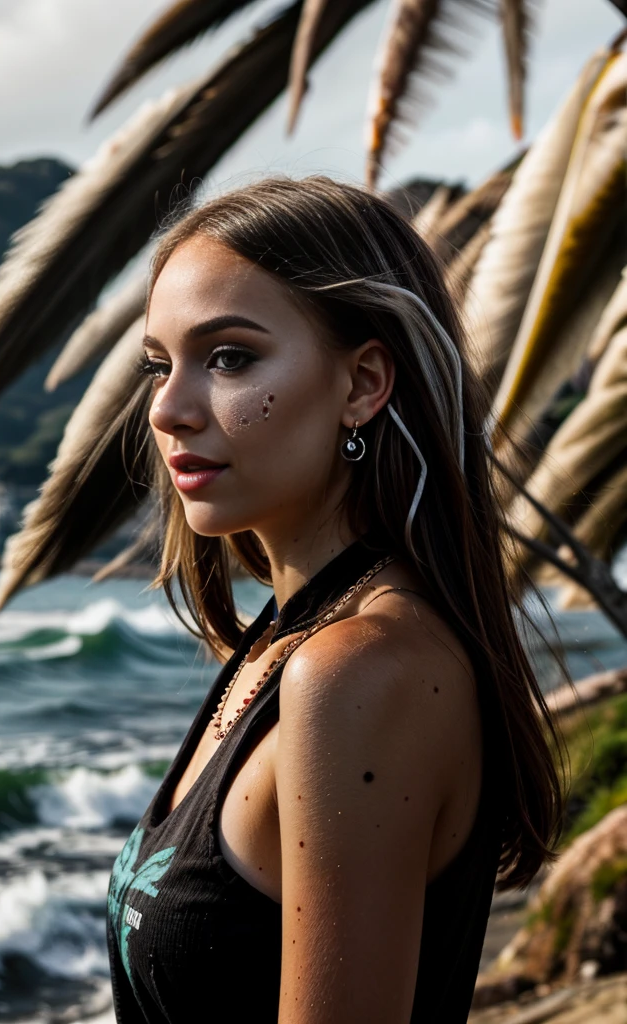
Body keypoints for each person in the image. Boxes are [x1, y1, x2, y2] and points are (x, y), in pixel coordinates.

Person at [106, 176, 563, 1023]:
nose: (168, 409)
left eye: (230, 357)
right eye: (159, 366)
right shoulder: (290, 635)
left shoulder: (357, 673)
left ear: (362, 383)